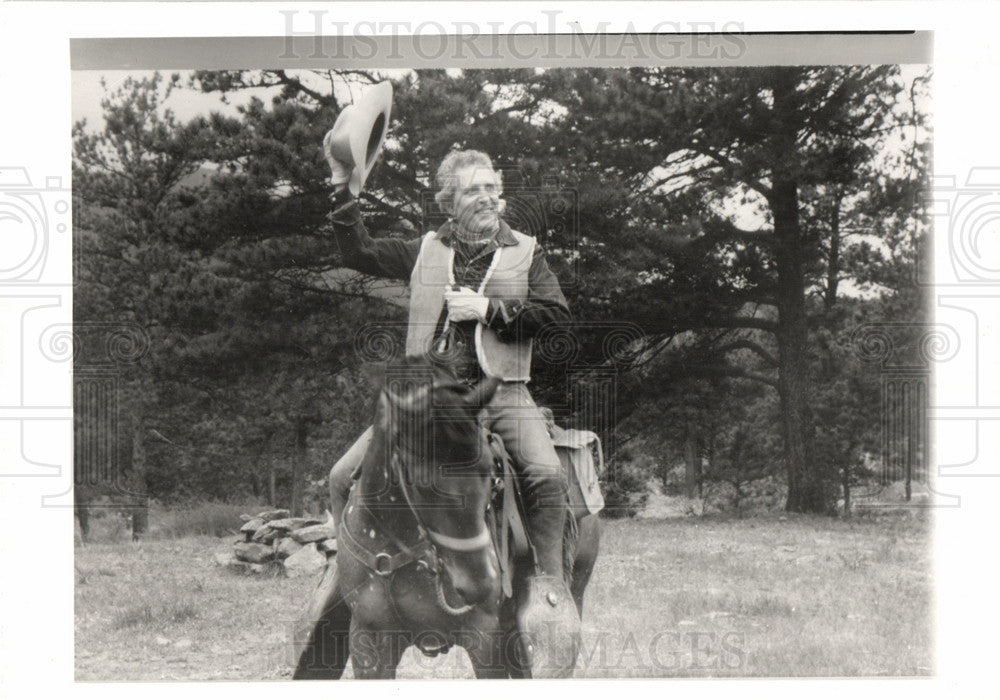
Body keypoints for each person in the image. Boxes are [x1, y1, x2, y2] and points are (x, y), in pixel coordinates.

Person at [323, 142, 578, 668]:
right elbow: (356, 252)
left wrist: (492, 309)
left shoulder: (528, 252)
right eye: (472, 190)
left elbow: (558, 319)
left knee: (546, 473)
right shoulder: (422, 250)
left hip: (501, 390)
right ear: (448, 201)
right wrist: (343, 188)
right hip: (425, 398)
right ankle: (344, 576)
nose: (486, 197)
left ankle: (549, 588)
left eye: (491, 188)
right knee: (340, 475)